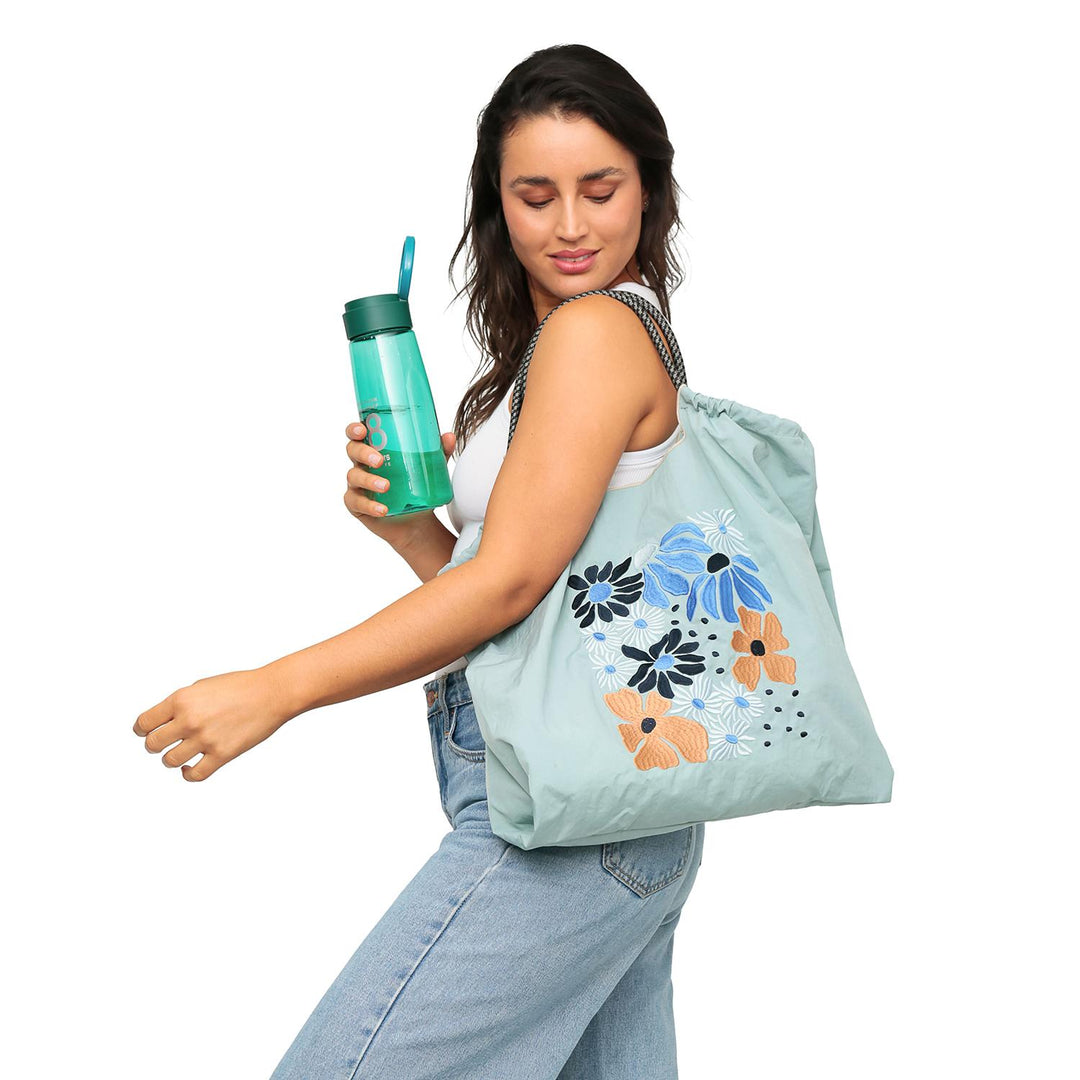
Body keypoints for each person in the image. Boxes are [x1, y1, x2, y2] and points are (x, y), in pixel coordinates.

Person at [134, 43, 706, 1078]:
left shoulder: (598, 334)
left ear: (648, 190)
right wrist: (414, 536)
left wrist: (278, 687)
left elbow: (509, 583)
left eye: (600, 189)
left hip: (567, 819)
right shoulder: (552, 352)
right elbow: (527, 598)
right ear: (496, 204)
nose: (570, 226)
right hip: (610, 808)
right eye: (535, 196)